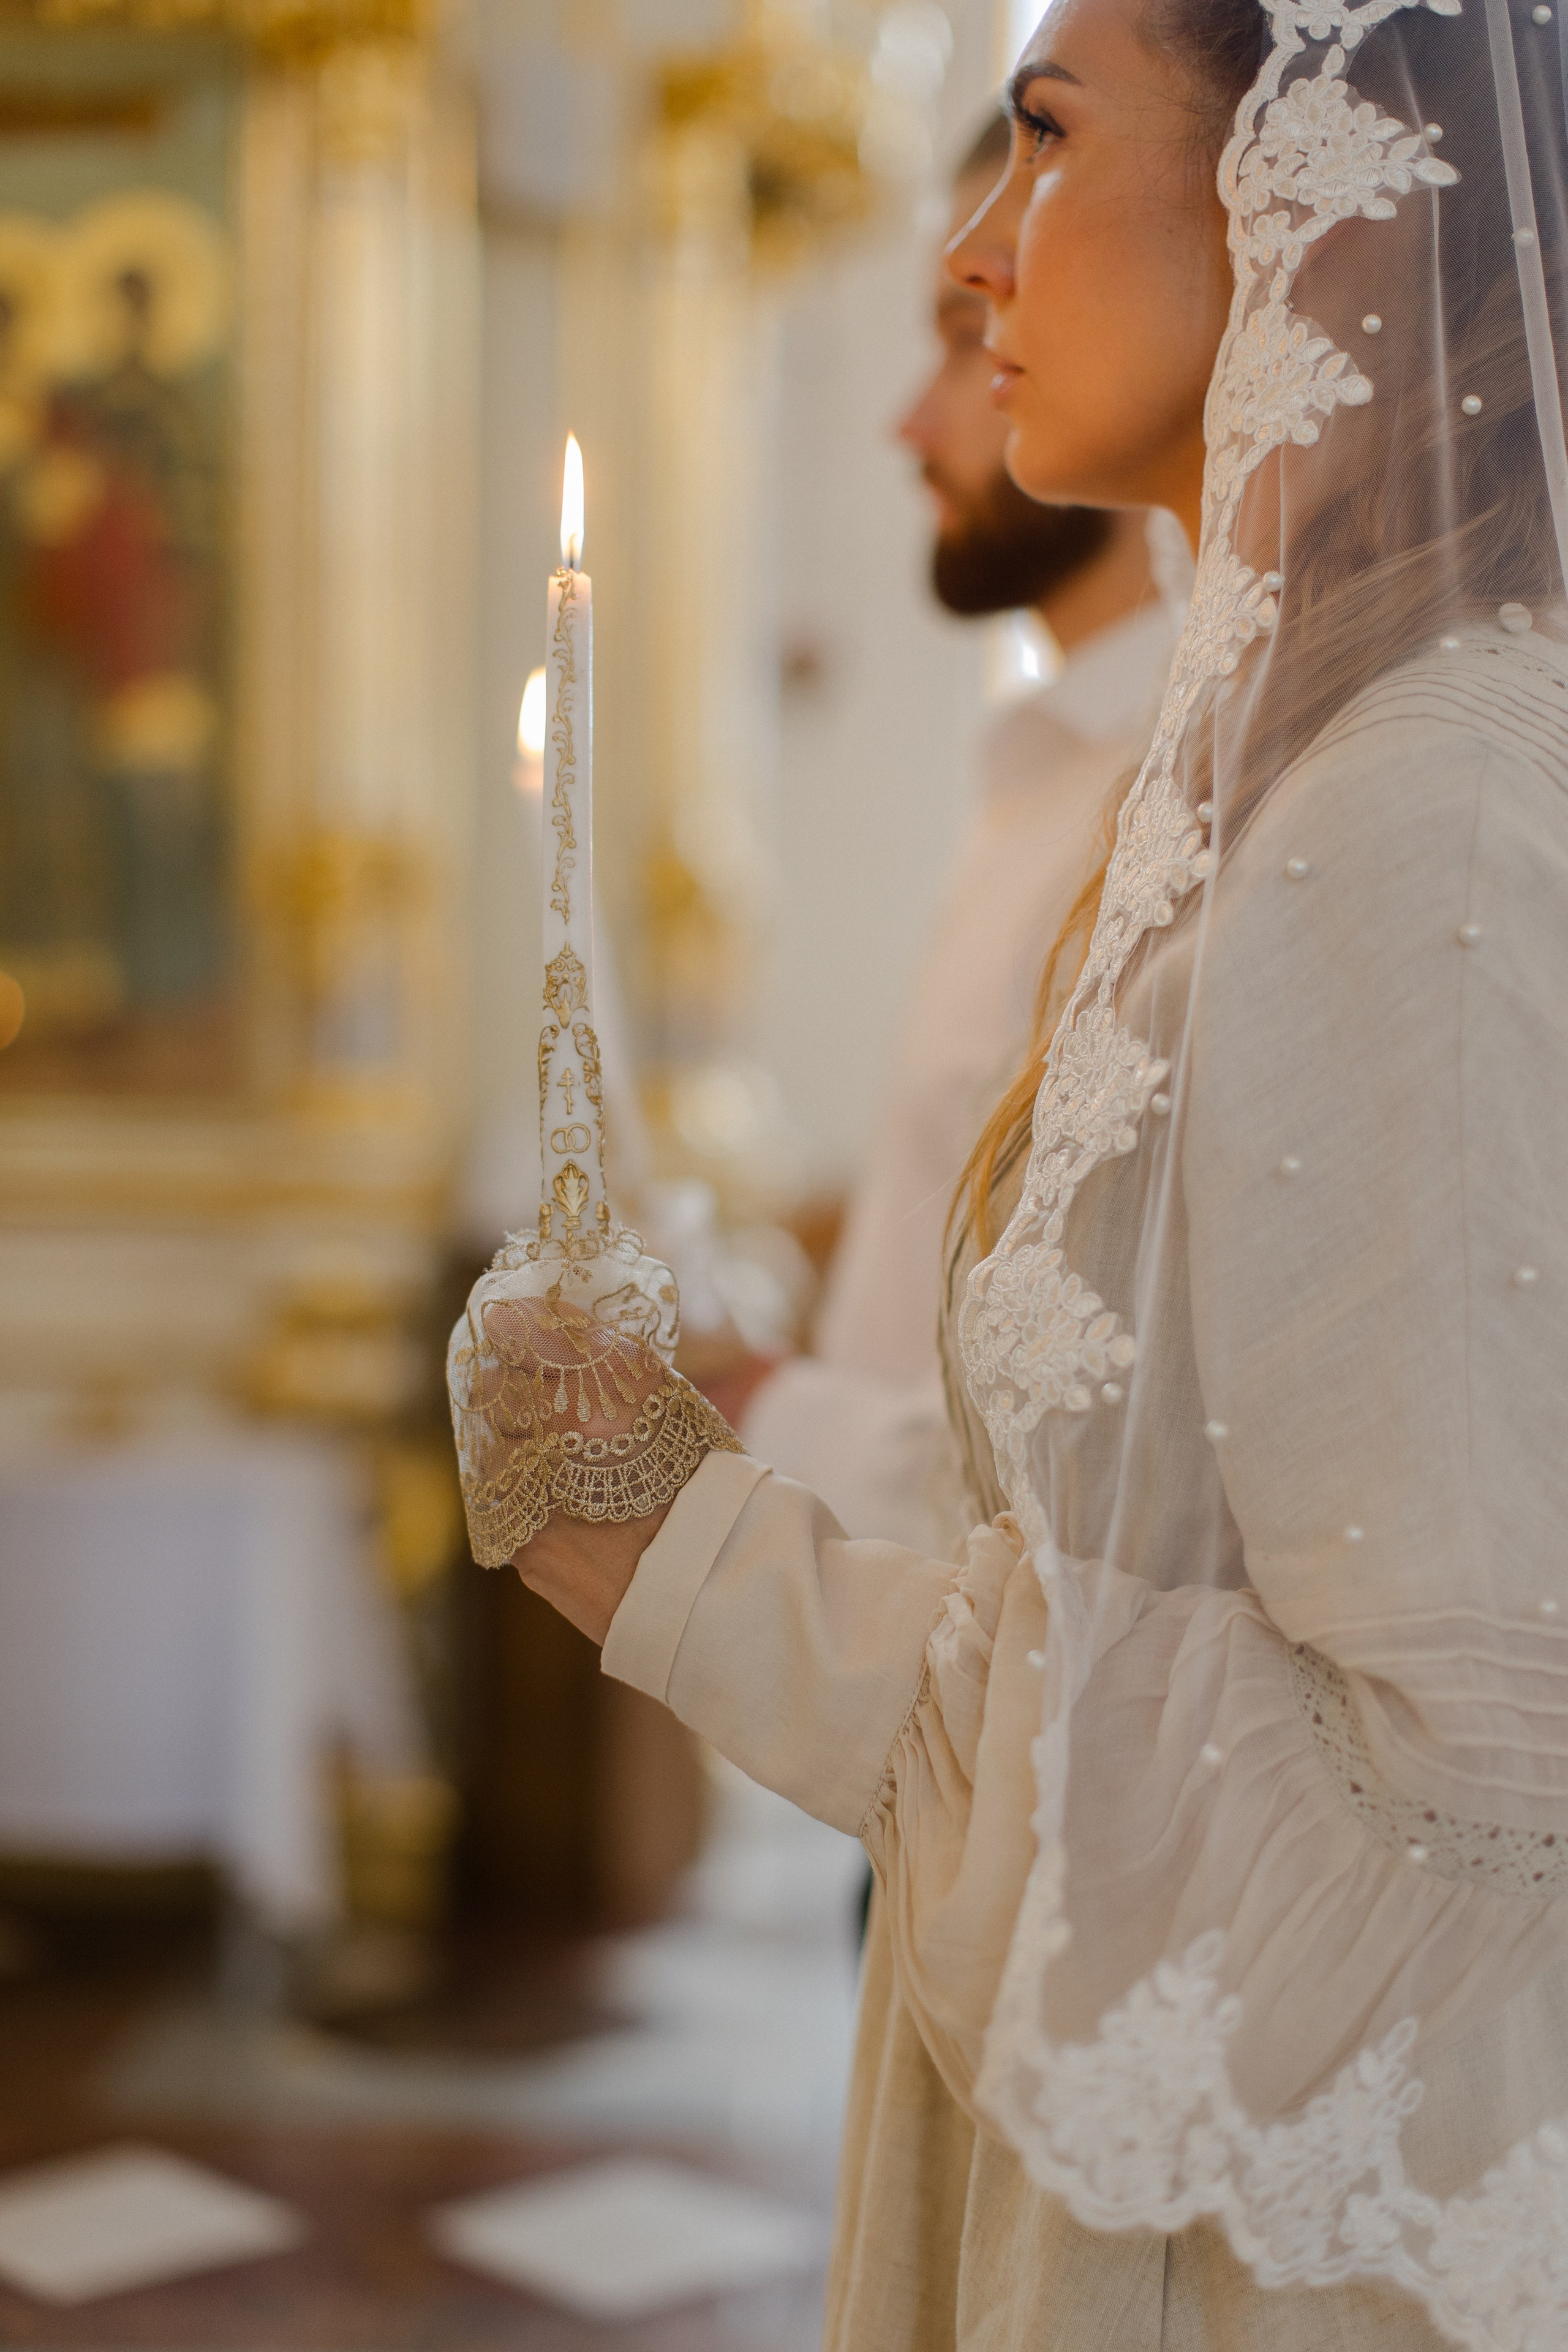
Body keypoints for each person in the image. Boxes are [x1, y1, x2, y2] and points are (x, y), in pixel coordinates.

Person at [456, 0, 1568, 2338]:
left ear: (1327, 210)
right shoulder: (1278, 763)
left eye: (1045, 140)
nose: (974, 252)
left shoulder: (1416, 821)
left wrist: (695, 1554)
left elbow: (1466, 1844)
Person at [733, 108, 1180, 1557]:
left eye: (965, 326)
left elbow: (1125, 1434)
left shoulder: (1184, 797)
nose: (912, 418)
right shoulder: (1039, 772)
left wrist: (755, 1406)